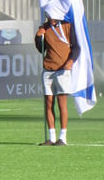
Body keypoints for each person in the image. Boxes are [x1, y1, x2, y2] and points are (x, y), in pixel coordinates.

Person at [34, 9, 80, 146]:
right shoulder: (44, 28)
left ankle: (63, 137)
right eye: (48, 15)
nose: (51, 17)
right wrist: (38, 37)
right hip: (48, 69)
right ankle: (51, 137)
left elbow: (76, 47)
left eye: (53, 15)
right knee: (48, 102)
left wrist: (71, 61)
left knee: (62, 103)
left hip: (63, 69)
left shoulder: (67, 25)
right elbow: (41, 48)